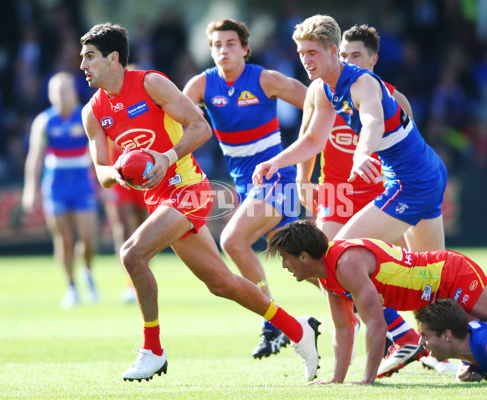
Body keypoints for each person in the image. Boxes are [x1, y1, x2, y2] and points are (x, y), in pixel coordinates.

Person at [79, 22, 320, 382]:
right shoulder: (93, 112)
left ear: (113, 58)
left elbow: (200, 127)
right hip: (159, 198)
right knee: (221, 283)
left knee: (131, 253)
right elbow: (100, 170)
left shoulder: (150, 84)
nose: (82, 65)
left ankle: (153, 350)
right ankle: (298, 329)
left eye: (89, 57)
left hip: (189, 187)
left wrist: (165, 157)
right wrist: (117, 169)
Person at [294, 23, 434, 377]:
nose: (347, 60)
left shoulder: (387, 96)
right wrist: (301, 178)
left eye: (355, 55)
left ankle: (430, 342)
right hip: (337, 190)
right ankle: (390, 332)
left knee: (416, 269)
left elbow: (402, 146)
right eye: (343, 54)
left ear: (373, 60)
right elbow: (308, 136)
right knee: (327, 267)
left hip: (379, 191)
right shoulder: (324, 90)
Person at [265, 219, 487, 385]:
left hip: (451, 276)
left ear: (305, 257)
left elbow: (377, 325)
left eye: (286, 260)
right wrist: (336, 381)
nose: (285, 267)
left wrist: (367, 381)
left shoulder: (347, 265)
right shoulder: (328, 275)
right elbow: (344, 328)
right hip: (437, 289)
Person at [183, 19, 308, 359]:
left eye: (230, 44)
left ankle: (273, 323)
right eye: (216, 45)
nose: (223, 50)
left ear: (244, 49)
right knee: (310, 265)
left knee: (232, 241)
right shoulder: (202, 84)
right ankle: (384, 324)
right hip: (249, 187)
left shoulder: (265, 79)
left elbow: (317, 103)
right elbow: (174, 113)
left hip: (278, 181)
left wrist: (319, 144)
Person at [22, 71, 99, 310]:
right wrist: (30, 188)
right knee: (63, 239)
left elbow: (99, 148)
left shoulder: (85, 115)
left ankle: (86, 270)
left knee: (88, 238)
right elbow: (35, 157)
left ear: (74, 92)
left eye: (65, 90)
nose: (60, 95)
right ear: (49, 94)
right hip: (55, 185)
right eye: (56, 91)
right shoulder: (44, 121)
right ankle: (71, 287)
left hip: (82, 182)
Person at [102, 139, 149, 303]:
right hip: (116, 175)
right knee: (122, 229)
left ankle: (143, 277)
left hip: (143, 171)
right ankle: (130, 283)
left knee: (144, 231)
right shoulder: (101, 115)